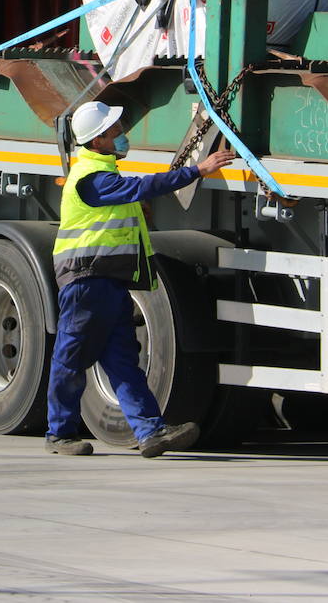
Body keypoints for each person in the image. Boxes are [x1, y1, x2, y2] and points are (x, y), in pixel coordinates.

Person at [45, 101, 234, 457]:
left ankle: (150, 432)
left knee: (122, 360)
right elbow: (143, 187)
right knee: (70, 358)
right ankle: (60, 434)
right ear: (98, 139)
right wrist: (199, 169)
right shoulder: (91, 178)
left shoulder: (104, 172)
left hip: (110, 282)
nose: (122, 135)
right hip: (86, 281)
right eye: (115, 131)